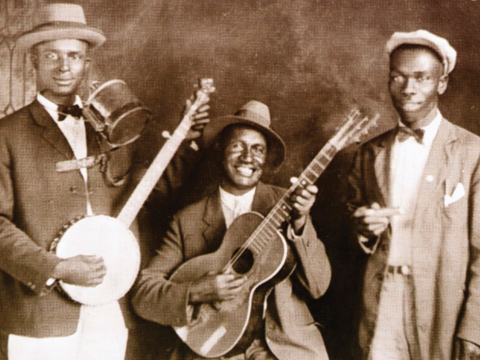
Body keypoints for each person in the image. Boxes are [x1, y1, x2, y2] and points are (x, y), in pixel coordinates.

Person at [0, 3, 209, 360]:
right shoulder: (7, 134)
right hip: (40, 316)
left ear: (86, 64)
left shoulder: (112, 129)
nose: (64, 66)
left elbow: (147, 192)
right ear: (33, 62)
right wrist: (57, 268)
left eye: (74, 56)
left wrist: (186, 137)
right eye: (52, 55)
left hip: (110, 308)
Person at [131, 100, 331, 360]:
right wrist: (195, 291)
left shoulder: (287, 204)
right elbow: (143, 296)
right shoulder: (187, 220)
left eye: (258, 149)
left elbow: (318, 286)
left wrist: (301, 222)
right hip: (214, 346)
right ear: (219, 151)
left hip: (284, 348)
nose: (248, 157)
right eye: (238, 146)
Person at [348, 29, 480, 360]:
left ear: (442, 82)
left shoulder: (473, 152)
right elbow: (346, 240)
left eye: (421, 78)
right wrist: (363, 232)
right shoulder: (368, 153)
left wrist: (475, 329)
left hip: (442, 311)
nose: (408, 88)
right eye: (398, 77)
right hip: (380, 303)